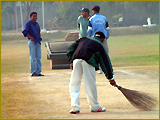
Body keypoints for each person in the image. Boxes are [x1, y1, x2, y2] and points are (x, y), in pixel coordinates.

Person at [67, 31, 116, 114]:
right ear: (102, 39)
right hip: (88, 60)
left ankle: (75, 107)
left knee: (74, 83)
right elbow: (105, 62)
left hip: (76, 60)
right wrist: (110, 77)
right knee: (90, 84)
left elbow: (71, 48)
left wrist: (72, 60)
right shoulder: (100, 45)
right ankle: (95, 107)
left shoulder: (83, 39)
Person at [87, 5, 110, 74]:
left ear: (94, 11)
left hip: (95, 38)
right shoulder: (104, 18)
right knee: (105, 53)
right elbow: (107, 29)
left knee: (97, 53)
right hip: (103, 38)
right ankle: (108, 68)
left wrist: (90, 36)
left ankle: (99, 68)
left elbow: (89, 30)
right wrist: (106, 37)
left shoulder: (91, 19)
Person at [22, 12, 44, 77]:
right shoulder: (28, 24)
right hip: (32, 42)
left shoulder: (37, 24)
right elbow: (24, 32)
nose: (35, 17)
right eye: (33, 16)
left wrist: (39, 40)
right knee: (33, 58)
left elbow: (38, 33)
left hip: (37, 42)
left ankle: (38, 72)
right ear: (30, 17)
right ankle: (33, 72)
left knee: (38, 58)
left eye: (36, 16)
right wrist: (31, 38)